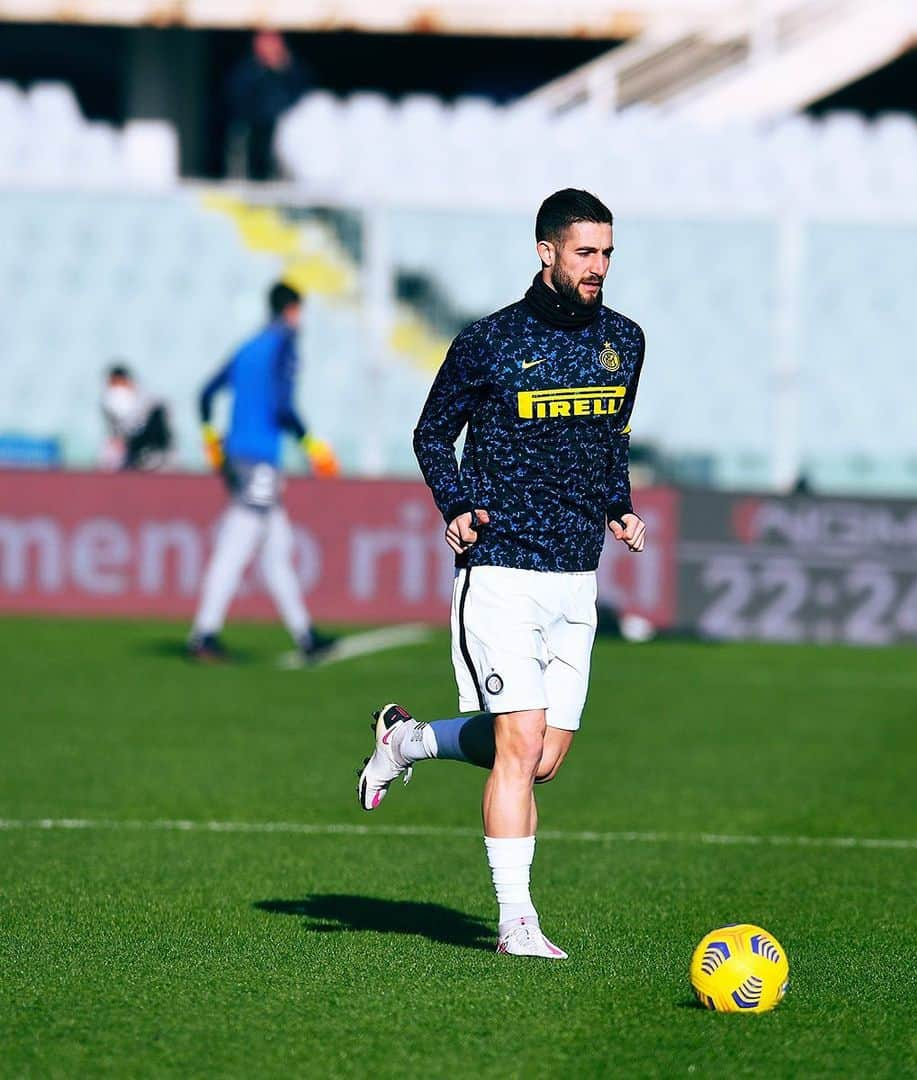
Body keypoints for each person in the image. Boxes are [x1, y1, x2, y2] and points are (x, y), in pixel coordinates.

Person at [356, 190, 647, 959]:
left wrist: (618, 507)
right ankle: (517, 921)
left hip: (575, 575)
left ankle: (407, 741)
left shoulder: (626, 341)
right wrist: (454, 504)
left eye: (607, 253)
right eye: (585, 252)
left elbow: (609, 439)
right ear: (546, 250)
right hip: (500, 570)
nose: (598, 268)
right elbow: (430, 433)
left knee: (541, 759)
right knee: (520, 741)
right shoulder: (489, 342)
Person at [188, 281, 340, 663]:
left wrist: (211, 441)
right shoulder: (283, 344)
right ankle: (204, 633)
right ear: (291, 310)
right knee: (236, 546)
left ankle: (305, 634)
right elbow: (282, 404)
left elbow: (205, 394)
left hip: (238, 455)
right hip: (259, 457)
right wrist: (311, 445)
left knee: (276, 549)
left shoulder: (248, 346)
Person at [225, 30, 310, 180]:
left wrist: (282, 67)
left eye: (272, 42)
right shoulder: (248, 70)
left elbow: (305, 96)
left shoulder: (292, 70)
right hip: (253, 129)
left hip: (285, 127)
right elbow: (236, 95)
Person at [100, 364, 173, 471]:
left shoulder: (146, 398)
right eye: (114, 383)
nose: (118, 388)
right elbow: (119, 425)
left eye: (120, 382)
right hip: (126, 445)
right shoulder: (110, 398)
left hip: (149, 442)